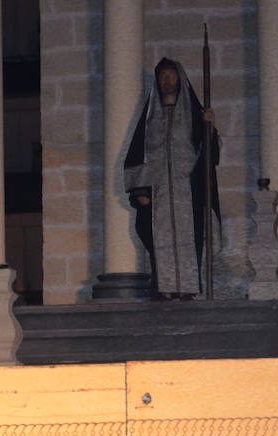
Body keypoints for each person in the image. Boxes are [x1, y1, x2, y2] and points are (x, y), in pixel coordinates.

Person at [124, 57, 220, 300]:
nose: (167, 80)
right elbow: (137, 153)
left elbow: (210, 154)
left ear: (180, 78)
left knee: (190, 239)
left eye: (171, 75)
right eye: (162, 76)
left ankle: (187, 288)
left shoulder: (195, 116)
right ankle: (164, 288)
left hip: (187, 192)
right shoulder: (149, 119)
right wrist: (141, 191)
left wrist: (209, 127)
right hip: (159, 194)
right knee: (159, 242)